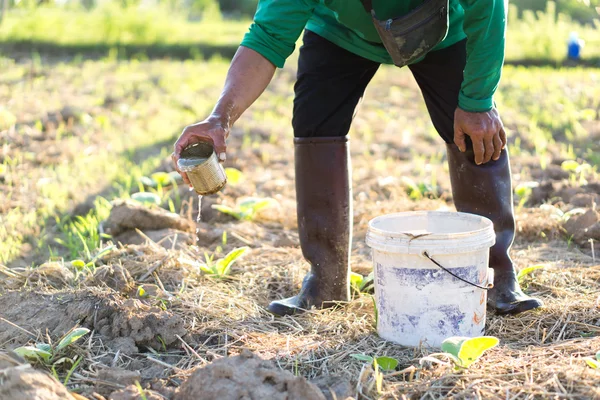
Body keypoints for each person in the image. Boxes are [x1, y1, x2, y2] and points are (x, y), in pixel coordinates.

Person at [173, 0, 544, 317]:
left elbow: (489, 10)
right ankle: (326, 282)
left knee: (475, 129)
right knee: (314, 122)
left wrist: (478, 101)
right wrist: (220, 118)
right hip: (341, 34)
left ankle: (496, 274)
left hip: (444, 29)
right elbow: (266, 38)